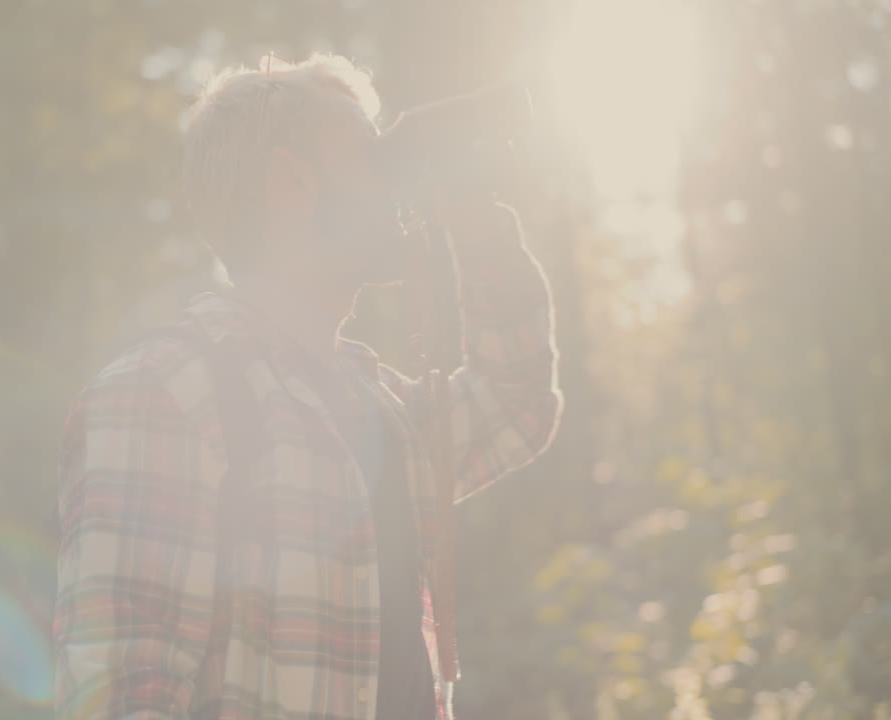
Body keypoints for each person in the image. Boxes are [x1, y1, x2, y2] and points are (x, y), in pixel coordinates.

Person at [54, 53, 563, 720]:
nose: (395, 180)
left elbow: (514, 403)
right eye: (369, 155)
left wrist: (475, 219)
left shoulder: (381, 410)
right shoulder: (165, 397)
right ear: (291, 182)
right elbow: (122, 697)